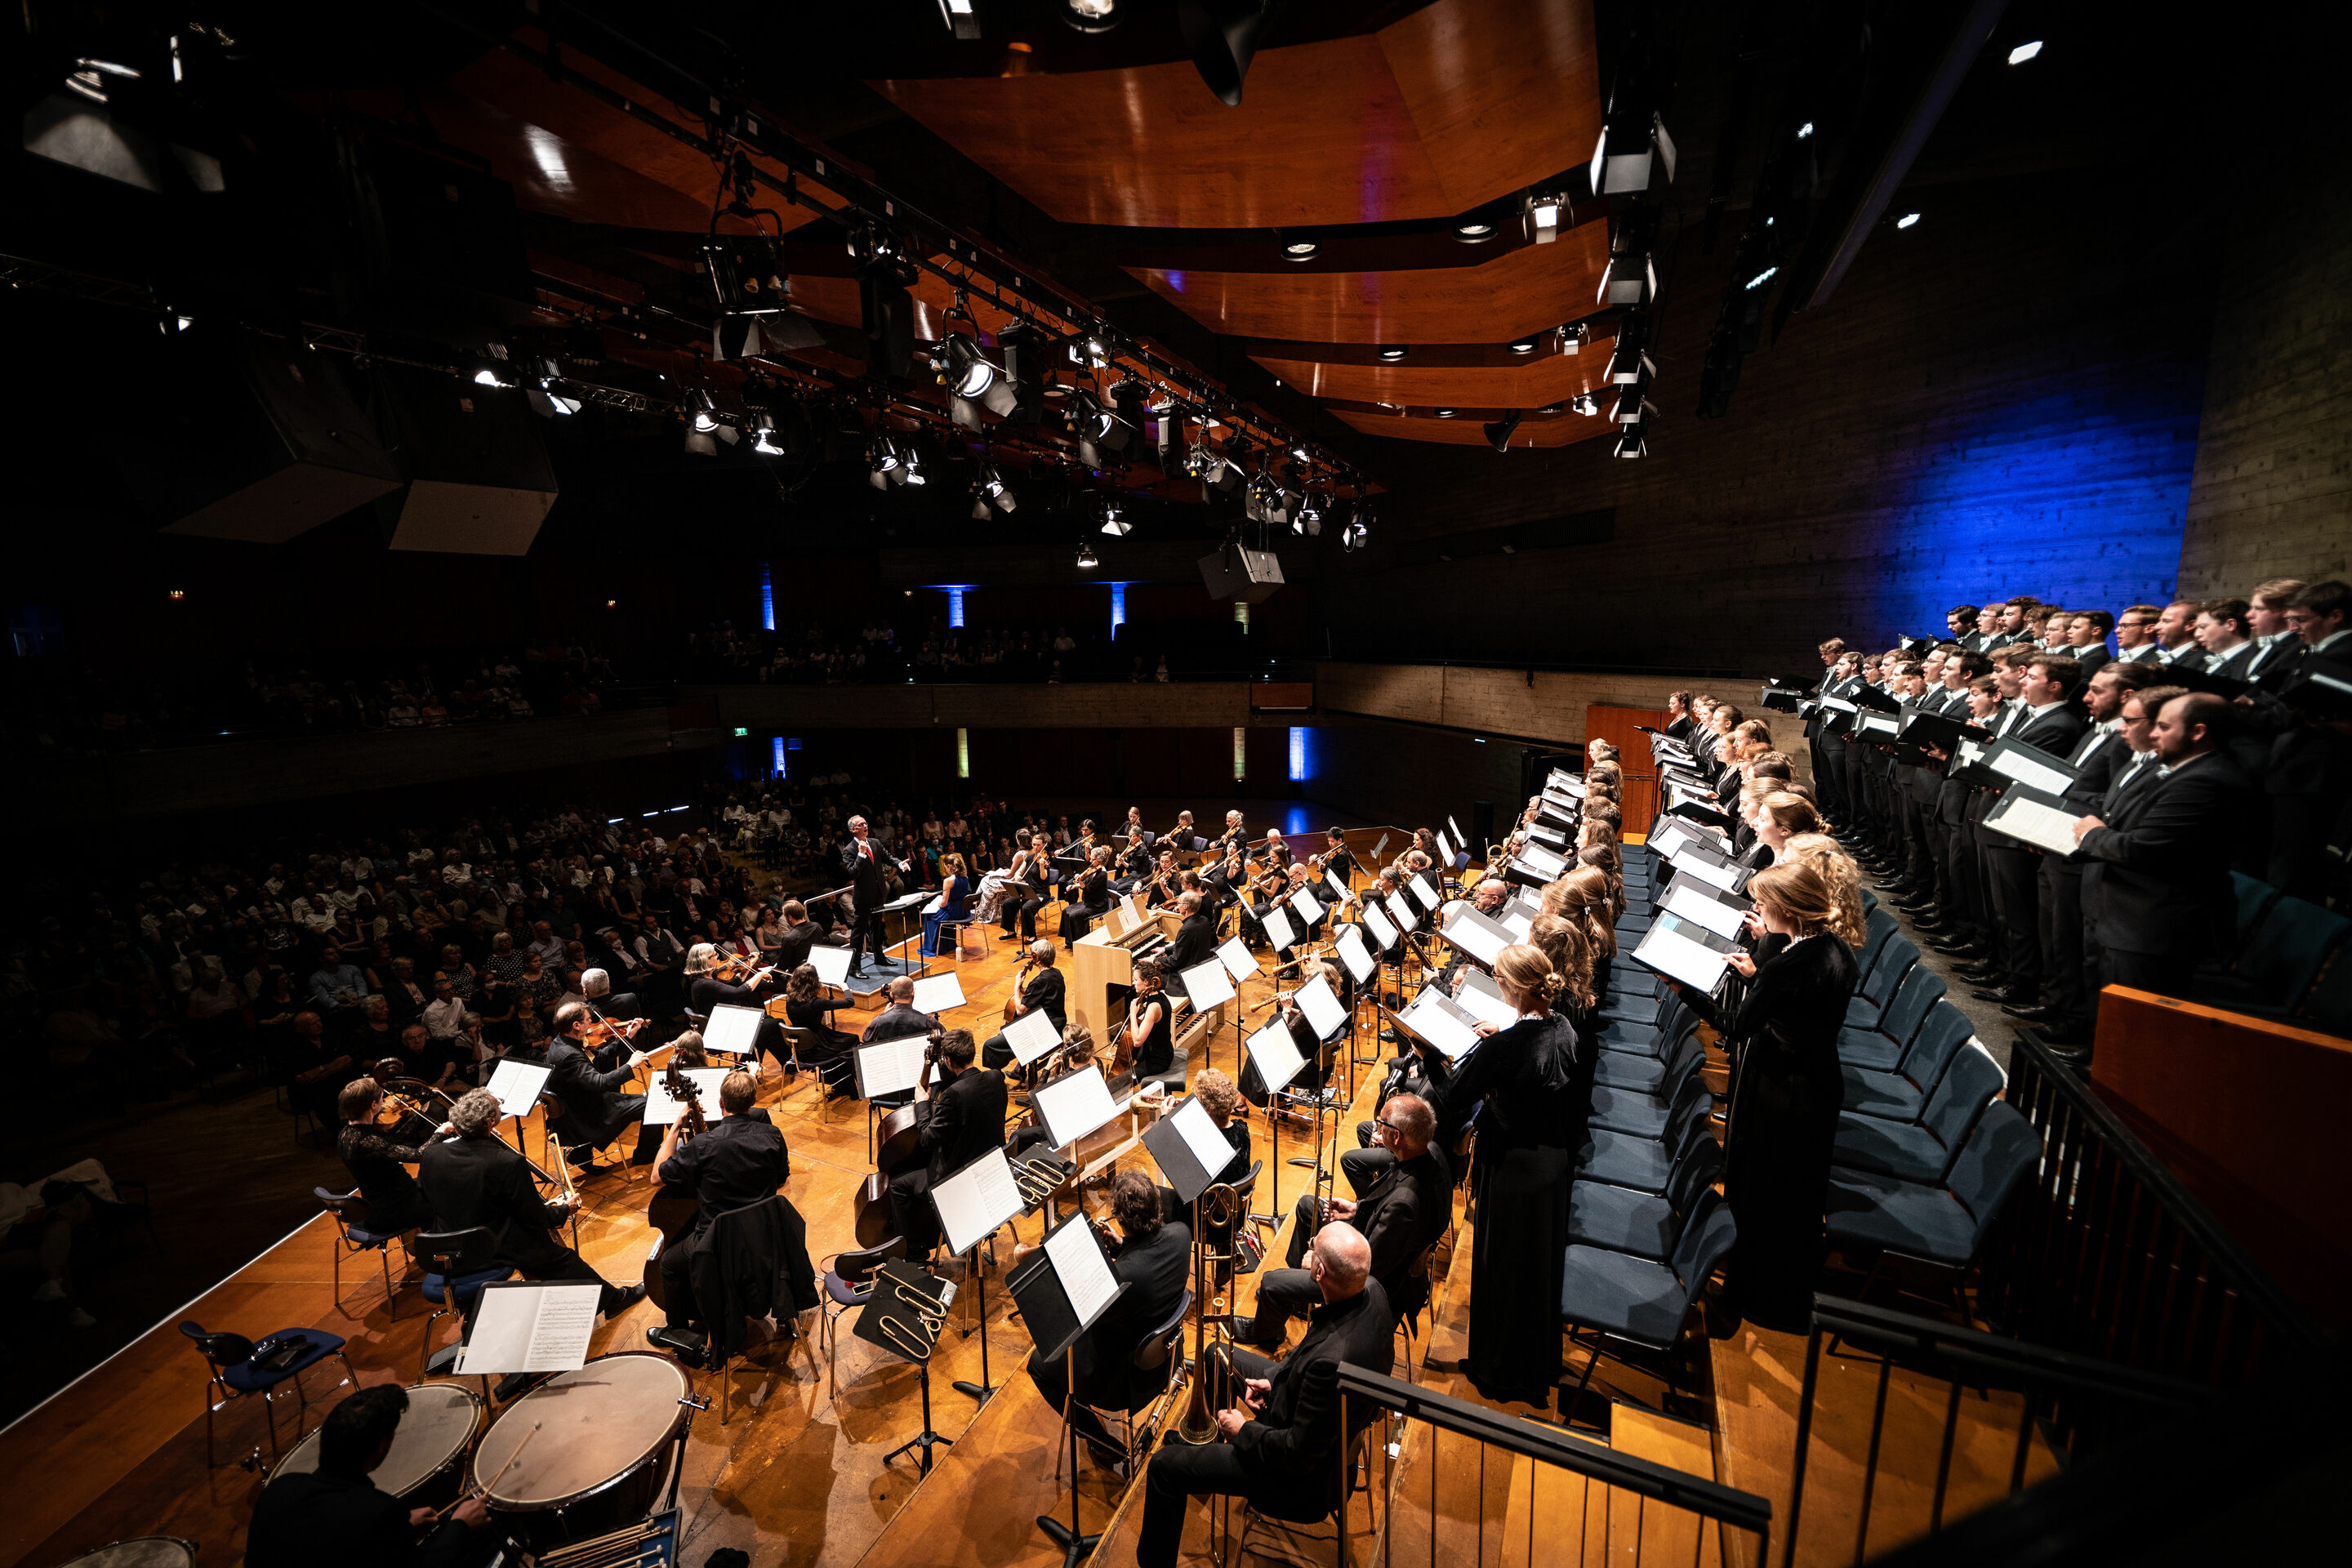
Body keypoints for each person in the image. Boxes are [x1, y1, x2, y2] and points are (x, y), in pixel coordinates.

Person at [1671, 857, 1862, 1331]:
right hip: (1818, 1085)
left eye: (1764, 902)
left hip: (1780, 1091)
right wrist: (1756, 978)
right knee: (1795, 1198)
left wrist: (1686, 990)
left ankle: (1748, 1296)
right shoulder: (1836, 949)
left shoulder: (1789, 965)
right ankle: (1782, 1292)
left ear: (1787, 909)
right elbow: (1804, 1009)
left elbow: (1737, 1026)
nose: (1758, 909)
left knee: (1760, 1192)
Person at [1135, 1225, 1393, 1568]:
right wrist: (1274, 1380)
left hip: (1299, 1482)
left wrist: (1243, 1430)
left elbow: (1296, 1455)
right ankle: (1200, 1442)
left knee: (1163, 1468)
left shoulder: (1331, 1363)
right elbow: (1309, 1351)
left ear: (1319, 1272)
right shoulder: (1371, 1290)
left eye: (1313, 1246)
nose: (1309, 1248)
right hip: (1307, 1420)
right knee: (1215, 1355)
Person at [1428, 943, 1588, 1406]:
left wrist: (1429, 1055)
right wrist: (1503, 1037)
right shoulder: (1562, 1026)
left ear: (1512, 986)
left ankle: (1499, 1372)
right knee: (1535, 1271)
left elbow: (1455, 1096)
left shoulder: (1504, 1046)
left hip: (1513, 1166)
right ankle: (1536, 1364)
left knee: (1504, 1267)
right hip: (1551, 1166)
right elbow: (1535, 1061)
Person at [2071, 692, 2258, 1000]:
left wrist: (2092, 834)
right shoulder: (2187, 770)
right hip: (2131, 917)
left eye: (2164, 727)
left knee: (2131, 1026)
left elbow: (2142, 848)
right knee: (2112, 1019)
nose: (2154, 734)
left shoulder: (2204, 781)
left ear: (2198, 732)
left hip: (2153, 928)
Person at [1233, 1093, 1448, 1352]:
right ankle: (1296, 1301)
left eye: (1381, 1124)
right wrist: (1356, 1210)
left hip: (1370, 1287)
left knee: (1271, 1282)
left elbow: (1368, 1270)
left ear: (1397, 1136)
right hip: (1372, 1245)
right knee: (1306, 1207)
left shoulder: (1404, 1205)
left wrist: (1319, 1264)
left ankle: (1266, 1332)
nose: (1376, 1129)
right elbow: (1385, 1217)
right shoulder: (1427, 1152)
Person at [416, 1088, 645, 1331]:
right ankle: (613, 1300)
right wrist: (563, 1210)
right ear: (491, 1122)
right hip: (487, 1250)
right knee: (557, 1255)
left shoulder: (432, 1154)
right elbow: (535, 1216)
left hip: (444, 1250)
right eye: (498, 1107)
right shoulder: (506, 1162)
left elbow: (426, 1199)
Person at [1022, 1169, 1191, 1472]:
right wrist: (1122, 1247)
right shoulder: (1182, 1234)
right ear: (1157, 1207)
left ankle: (1100, 1441)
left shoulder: (1122, 1280)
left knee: (1038, 1364)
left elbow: (1080, 1322)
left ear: (1122, 1220)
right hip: (1169, 1356)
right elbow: (1148, 1264)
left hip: (1127, 1383)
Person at [245, 1383, 495, 1568]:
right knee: (486, 1536)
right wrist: (461, 1525)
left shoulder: (278, 1489)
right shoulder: (375, 1512)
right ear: (379, 1448)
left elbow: (333, 1545)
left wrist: (401, 1529)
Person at [645, 1067, 789, 1361]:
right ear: (753, 1102)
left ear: (721, 1104)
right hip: (762, 1237)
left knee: (669, 1264)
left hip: (716, 1244)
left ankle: (677, 1330)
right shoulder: (772, 1134)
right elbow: (782, 1179)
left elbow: (656, 1177)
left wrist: (675, 1128)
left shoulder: (703, 1145)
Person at [888, 1029, 1007, 1258]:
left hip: (959, 1177)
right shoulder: (996, 1078)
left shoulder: (954, 1095)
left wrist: (922, 1104)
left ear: (948, 1060)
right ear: (972, 1051)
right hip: (991, 1168)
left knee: (897, 1185)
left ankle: (915, 1253)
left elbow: (927, 1138)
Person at [545, 1001, 653, 1168]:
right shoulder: (568, 1056)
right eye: (588, 1020)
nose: (592, 1024)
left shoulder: (563, 1042)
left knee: (644, 1101)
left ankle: (581, 1155)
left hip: (586, 1102)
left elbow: (599, 1058)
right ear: (576, 1025)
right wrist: (630, 1065)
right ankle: (645, 1155)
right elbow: (600, 1083)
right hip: (588, 1115)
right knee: (651, 1106)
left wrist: (627, 1037)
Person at [335, 1077, 434, 1236]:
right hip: (393, 1210)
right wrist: (440, 1133)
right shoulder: (367, 1141)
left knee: (431, 1186)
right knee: (444, 1198)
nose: (386, 1101)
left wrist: (419, 1113)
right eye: (382, 1098)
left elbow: (392, 1142)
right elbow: (419, 1155)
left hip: (380, 1203)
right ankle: (437, 1250)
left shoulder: (347, 1133)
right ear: (373, 1105)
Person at [840, 815, 911, 976]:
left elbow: (888, 857)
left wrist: (899, 863)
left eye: (866, 823)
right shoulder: (850, 850)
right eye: (861, 824)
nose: (865, 826)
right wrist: (861, 855)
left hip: (879, 893)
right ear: (853, 830)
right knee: (859, 932)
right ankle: (854, 967)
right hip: (863, 897)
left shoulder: (875, 842)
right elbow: (853, 873)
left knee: (878, 927)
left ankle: (879, 956)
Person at [982, 940, 1066, 1072]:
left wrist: (1016, 986)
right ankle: (1019, 1071)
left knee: (990, 1046)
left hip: (1044, 1033)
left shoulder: (1039, 981)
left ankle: (996, 1077)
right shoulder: (1057, 974)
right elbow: (1038, 995)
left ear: (1036, 957)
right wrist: (1023, 989)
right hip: (1058, 1025)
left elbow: (1020, 1010)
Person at [779, 962, 858, 1096]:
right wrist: (845, 988)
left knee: (846, 1042)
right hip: (819, 1046)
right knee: (853, 1040)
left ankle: (840, 1084)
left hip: (801, 1048)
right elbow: (850, 1002)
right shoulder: (816, 1003)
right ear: (814, 982)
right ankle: (846, 1086)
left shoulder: (788, 1000)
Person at [1124, 957, 1175, 1076]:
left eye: (1135, 980)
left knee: (1116, 1083)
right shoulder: (1160, 996)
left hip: (1158, 1060)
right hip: (1164, 1051)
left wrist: (1132, 1012)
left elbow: (1137, 1041)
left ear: (1146, 982)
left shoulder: (1154, 1007)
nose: (1133, 983)